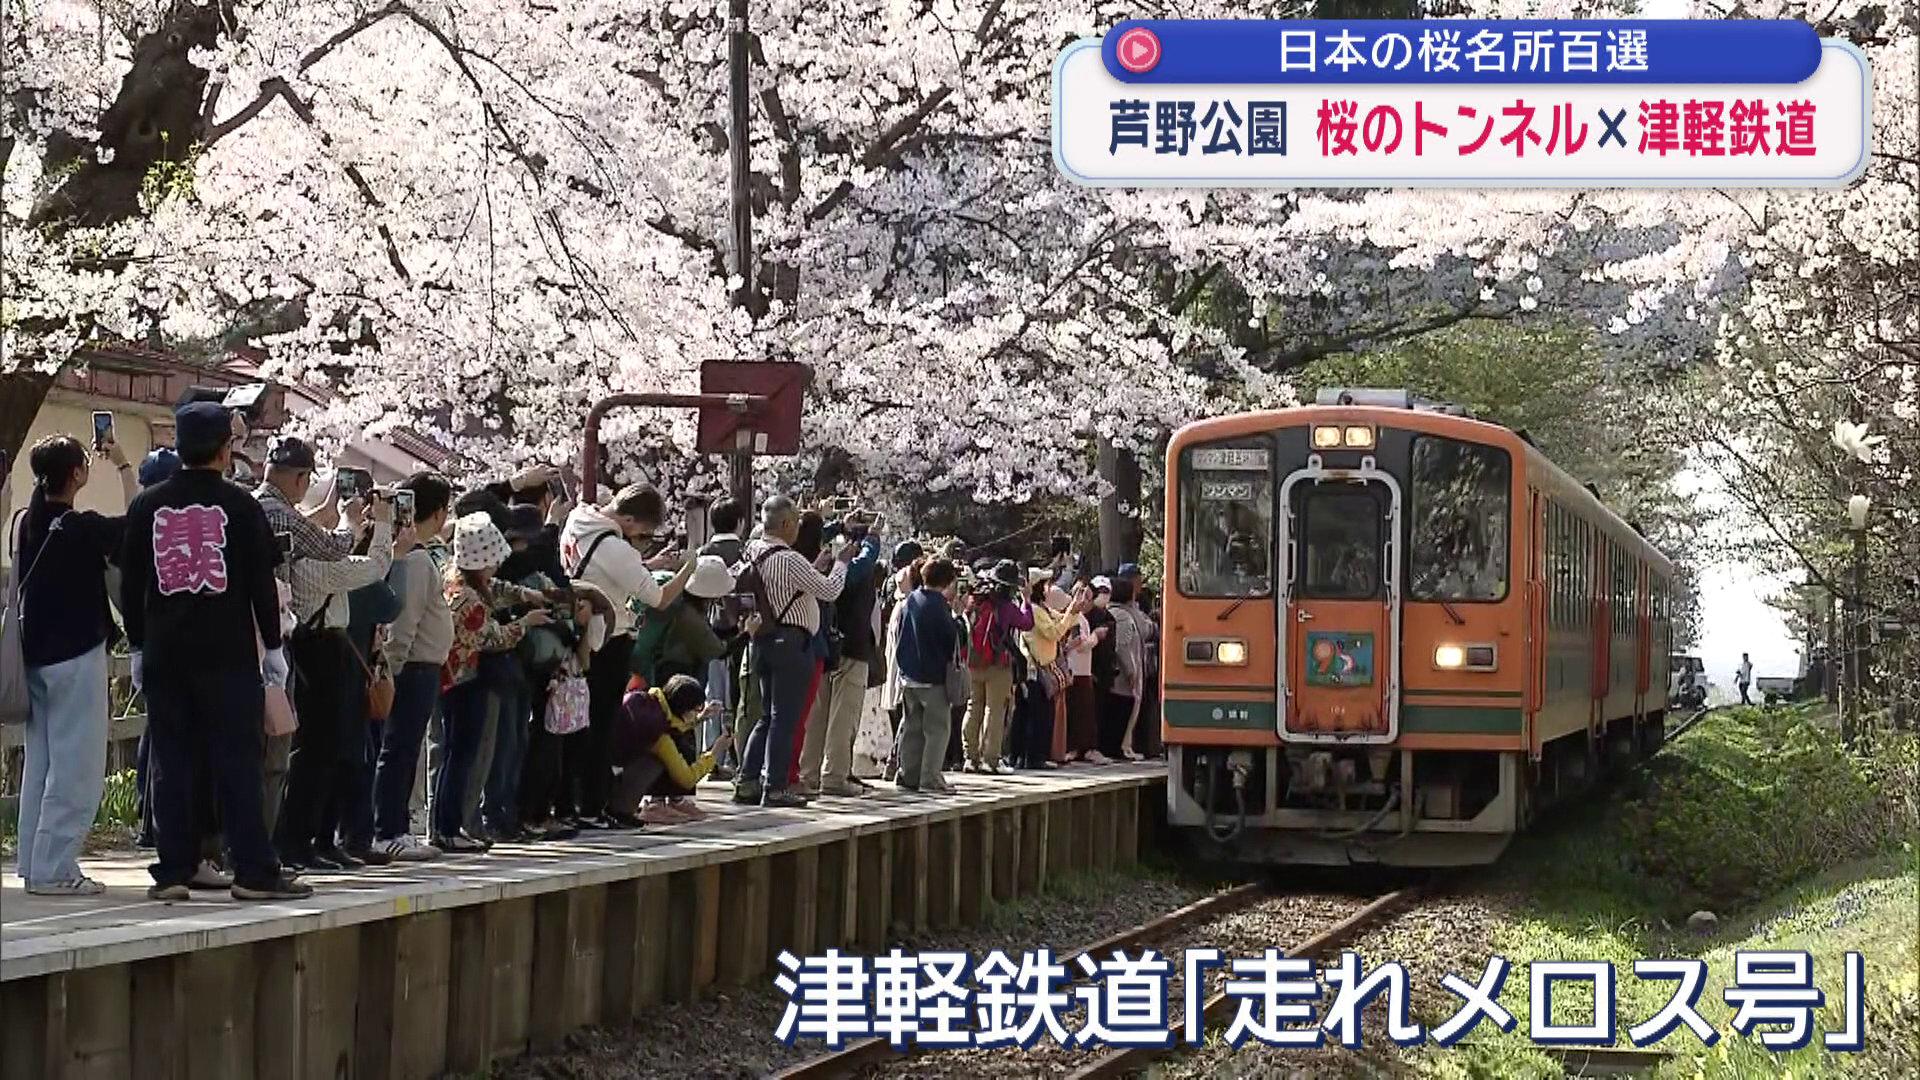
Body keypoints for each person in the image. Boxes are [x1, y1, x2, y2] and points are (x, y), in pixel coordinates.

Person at [121, 402, 309, 901]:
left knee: (171, 762)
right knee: (237, 763)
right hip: (227, 655)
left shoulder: (148, 505)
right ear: (226, 450)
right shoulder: (240, 506)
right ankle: (252, 870)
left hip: (165, 653)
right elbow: (261, 584)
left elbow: (131, 584)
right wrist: (273, 647)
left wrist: (137, 644)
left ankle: (174, 869)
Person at [256, 436, 395, 870]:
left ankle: (310, 839)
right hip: (316, 646)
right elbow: (366, 565)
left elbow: (312, 533)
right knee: (318, 749)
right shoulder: (308, 553)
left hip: (301, 642)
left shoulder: (265, 512)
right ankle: (297, 841)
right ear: (300, 479)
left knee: (320, 749)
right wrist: (372, 526)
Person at [12, 434, 132, 895]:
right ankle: (56, 868)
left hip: (34, 656)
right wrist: (123, 465)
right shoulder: (82, 527)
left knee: (41, 764)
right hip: (76, 655)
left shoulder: (26, 523)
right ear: (77, 474)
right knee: (77, 767)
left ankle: (35, 862)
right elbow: (137, 521)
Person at [561, 482, 695, 828]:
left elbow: (609, 570)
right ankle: (592, 807)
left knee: (582, 722)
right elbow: (659, 599)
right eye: (643, 533)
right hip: (608, 640)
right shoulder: (616, 548)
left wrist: (647, 563)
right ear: (631, 519)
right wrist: (688, 569)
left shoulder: (579, 518)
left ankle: (579, 802)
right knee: (601, 724)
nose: (642, 539)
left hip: (582, 637)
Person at [435, 513, 551, 852]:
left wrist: (525, 595)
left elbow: (497, 590)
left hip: (454, 679)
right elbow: (493, 638)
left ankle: (447, 827)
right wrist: (526, 622)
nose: (496, 567)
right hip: (464, 682)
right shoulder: (469, 599)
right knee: (461, 757)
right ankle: (449, 827)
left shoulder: (456, 581)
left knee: (455, 755)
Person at [734, 495, 851, 808]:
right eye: (796, 521)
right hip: (791, 642)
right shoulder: (788, 558)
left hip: (762, 638)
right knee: (785, 718)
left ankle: (747, 781)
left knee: (766, 716)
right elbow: (830, 590)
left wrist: (815, 568)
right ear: (786, 523)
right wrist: (841, 563)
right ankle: (775, 786)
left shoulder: (753, 550)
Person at [373, 472, 454, 861]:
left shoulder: (414, 556)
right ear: (437, 513)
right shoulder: (418, 560)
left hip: (420, 665)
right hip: (413, 667)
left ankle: (394, 826)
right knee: (399, 750)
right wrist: (393, 667)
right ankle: (389, 829)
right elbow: (404, 623)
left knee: (403, 749)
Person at [798, 513, 883, 797]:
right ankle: (834, 774)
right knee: (844, 716)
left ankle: (808, 773)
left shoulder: (813, 561)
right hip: (852, 646)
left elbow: (812, 534)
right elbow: (862, 566)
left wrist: (838, 525)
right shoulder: (847, 567)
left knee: (817, 714)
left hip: (824, 646)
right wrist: (872, 538)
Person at [610, 675, 732, 825]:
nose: (696, 713)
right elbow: (687, 779)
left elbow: (674, 724)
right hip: (612, 788)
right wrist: (715, 751)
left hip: (605, 777)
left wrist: (700, 717)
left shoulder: (649, 702)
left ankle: (657, 803)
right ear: (684, 709)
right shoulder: (659, 735)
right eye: (695, 709)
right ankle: (632, 809)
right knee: (661, 758)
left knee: (674, 741)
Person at [893, 558, 961, 794]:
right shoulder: (939, 606)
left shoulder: (911, 600)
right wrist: (958, 617)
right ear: (947, 582)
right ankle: (930, 778)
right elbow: (951, 639)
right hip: (933, 678)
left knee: (912, 727)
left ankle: (908, 774)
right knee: (937, 729)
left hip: (909, 674)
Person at [961, 559, 1034, 775]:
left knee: (973, 707)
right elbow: (1027, 623)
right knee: (994, 710)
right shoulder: (1007, 607)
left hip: (973, 662)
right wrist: (1027, 600)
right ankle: (991, 759)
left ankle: (970, 757)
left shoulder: (977, 600)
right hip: (998, 664)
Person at [1011, 573, 1088, 770]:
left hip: (1040, 669)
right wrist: (1071, 612)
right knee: (1037, 716)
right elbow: (1054, 632)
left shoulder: (1042, 609)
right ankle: (1033, 757)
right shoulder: (1034, 610)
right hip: (1036, 669)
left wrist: (1073, 610)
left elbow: (1061, 620)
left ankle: (1026, 756)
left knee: (1034, 714)